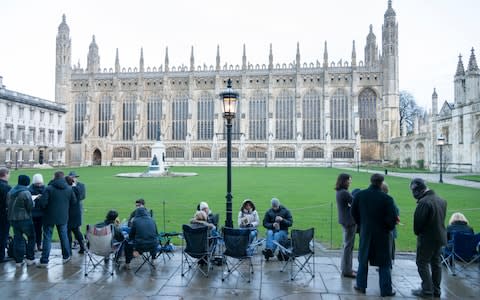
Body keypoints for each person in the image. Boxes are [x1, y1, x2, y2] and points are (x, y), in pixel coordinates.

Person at [351, 173, 397, 297]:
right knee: (384, 263)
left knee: (363, 259)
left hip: (365, 232)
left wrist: (362, 224)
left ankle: (361, 286)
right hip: (382, 234)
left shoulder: (360, 195)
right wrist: (387, 227)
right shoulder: (387, 199)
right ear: (382, 183)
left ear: (370, 181)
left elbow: (353, 212)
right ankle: (386, 290)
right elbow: (392, 218)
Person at [410, 178, 447, 298]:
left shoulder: (424, 202)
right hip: (440, 237)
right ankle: (436, 290)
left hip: (427, 238)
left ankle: (427, 290)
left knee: (422, 262)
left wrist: (418, 233)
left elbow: (418, 223)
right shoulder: (441, 200)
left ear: (418, 190)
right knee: (436, 264)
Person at [37, 171, 77, 267]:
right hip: (63, 216)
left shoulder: (49, 188)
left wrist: (41, 200)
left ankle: (44, 260)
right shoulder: (68, 189)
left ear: (54, 177)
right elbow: (74, 202)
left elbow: (43, 204)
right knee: (64, 236)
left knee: (47, 238)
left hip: (49, 216)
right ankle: (66, 256)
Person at [7, 175, 36, 267]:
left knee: (18, 238)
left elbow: (8, 204)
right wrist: (34, 200)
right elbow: (30, 206)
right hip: (24, 219)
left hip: (13, 218)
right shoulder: (25, 192)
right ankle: (29, 258)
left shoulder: (11, 191)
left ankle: (18, 261)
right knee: (31, 237)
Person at [335, 173, 357, 278]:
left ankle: (346, 268)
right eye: (348, 180)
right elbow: (355, 203)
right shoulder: (344, 193)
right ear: (344, 181)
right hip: (349, 222)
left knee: (347, 246)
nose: (350, 182)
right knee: (348, 247)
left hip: (345, 220)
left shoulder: (340, 192)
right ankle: (347, 270)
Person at [381, 182, 400, 265]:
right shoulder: (389, 198)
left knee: (388, 245)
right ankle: (390, 261)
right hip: (391, 226)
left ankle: (387, 262)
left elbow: (395, 212)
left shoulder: (387, 199)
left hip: (388, 227)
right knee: (390, 245)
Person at [65, 175, 86, 254]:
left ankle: (69, 249)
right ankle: (82, 246)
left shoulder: (67, 190)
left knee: (68, 232)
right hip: (76, 212)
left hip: (68, 213)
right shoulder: (77, 189)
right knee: (77, 231)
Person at [29, 174, 46, 251]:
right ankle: (34, 245)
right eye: (37, 183)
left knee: (39, 230)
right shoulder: (30, 189)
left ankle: (39, 244)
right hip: (33, 213)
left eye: (40, 183)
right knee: (33, 230)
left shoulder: (45, 188)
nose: (39, 185)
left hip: (41, 213)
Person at [0, 167, 12, 263]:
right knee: (3, 235)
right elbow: (9, 203)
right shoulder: (7, 187)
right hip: (3, 214)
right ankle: (1, 256)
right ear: (5, 174)